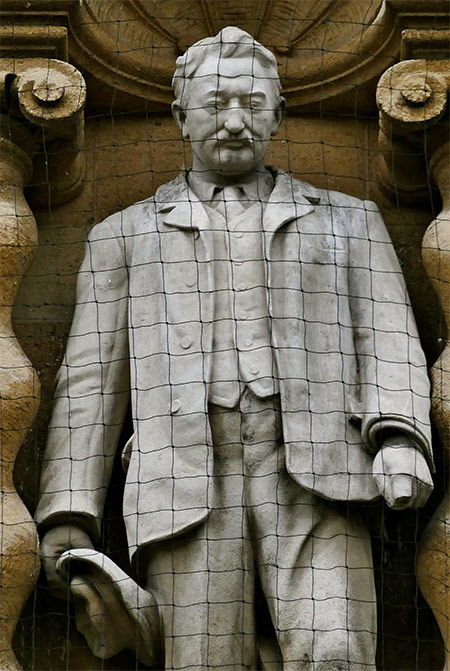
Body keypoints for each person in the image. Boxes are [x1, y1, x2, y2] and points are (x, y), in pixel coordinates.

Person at [36, 26, 434, 670]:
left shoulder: (349, 219)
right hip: (182, 483)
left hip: (321, 471)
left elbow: (389, 336)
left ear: (278, 114)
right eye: (215, 102)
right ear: (178, 116)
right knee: (203, 662)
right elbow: (88, 383)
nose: (233, 120)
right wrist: (69, 510)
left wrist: (401, 436)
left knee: (338, 651)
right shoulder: (124, 235)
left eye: (252, 103)